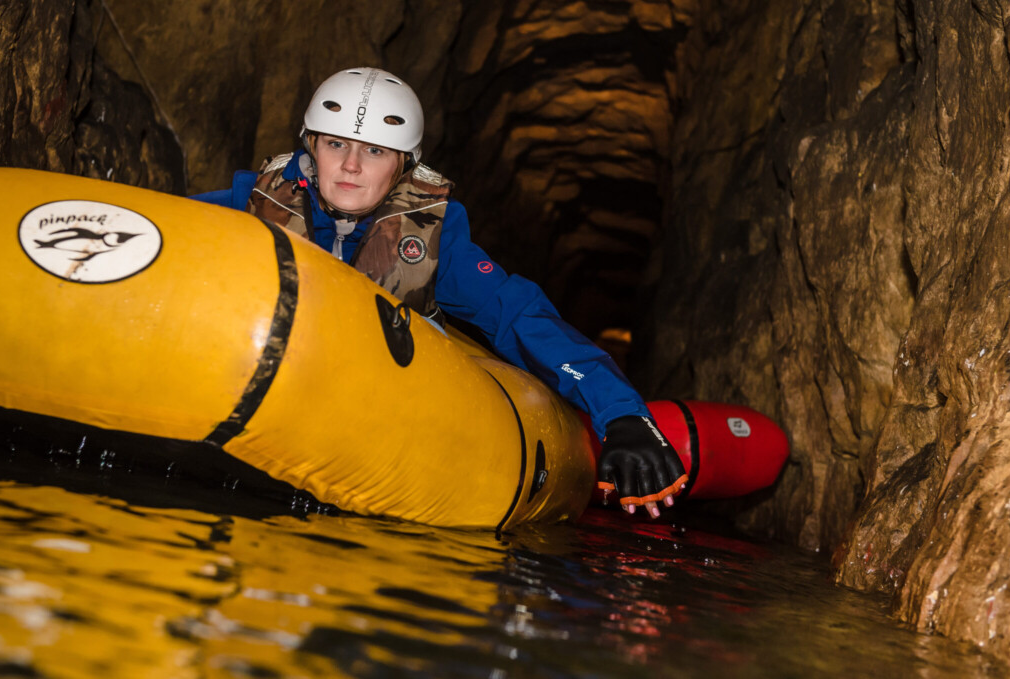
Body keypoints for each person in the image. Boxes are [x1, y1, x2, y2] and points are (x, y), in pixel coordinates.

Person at [194, 67, 685, 516]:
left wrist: (620, 413)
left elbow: (520, 318)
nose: (350, 166)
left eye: (374, 151)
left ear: (402, 165)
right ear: (310, 148)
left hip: (385, 420)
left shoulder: (433, 240)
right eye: (336, 144)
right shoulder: (251, 204)